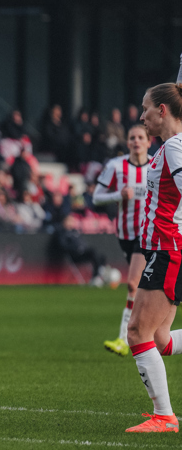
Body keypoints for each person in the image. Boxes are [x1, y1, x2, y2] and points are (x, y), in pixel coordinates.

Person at [125, 81, 182, 433]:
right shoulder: (169, 147)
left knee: (137, 331)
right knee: (161, 339)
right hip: (164, 249)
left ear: (162, 110)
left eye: (146, 108)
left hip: (169, 250)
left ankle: (165, 416)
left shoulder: (174, 146)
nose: (141, 115)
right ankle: (163, 415)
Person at [93, 124, 151, 357]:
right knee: (142, 288)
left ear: (148, 142)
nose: (136, 141)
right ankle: (145, 331)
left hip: (147, 232)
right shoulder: (116, 166)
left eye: (141, 137)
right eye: (132, 138)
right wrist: (119, 195)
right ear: (127, 143)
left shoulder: (156, 165)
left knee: (132, 284)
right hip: (124, 234)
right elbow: (96, 197)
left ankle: (123, 338)